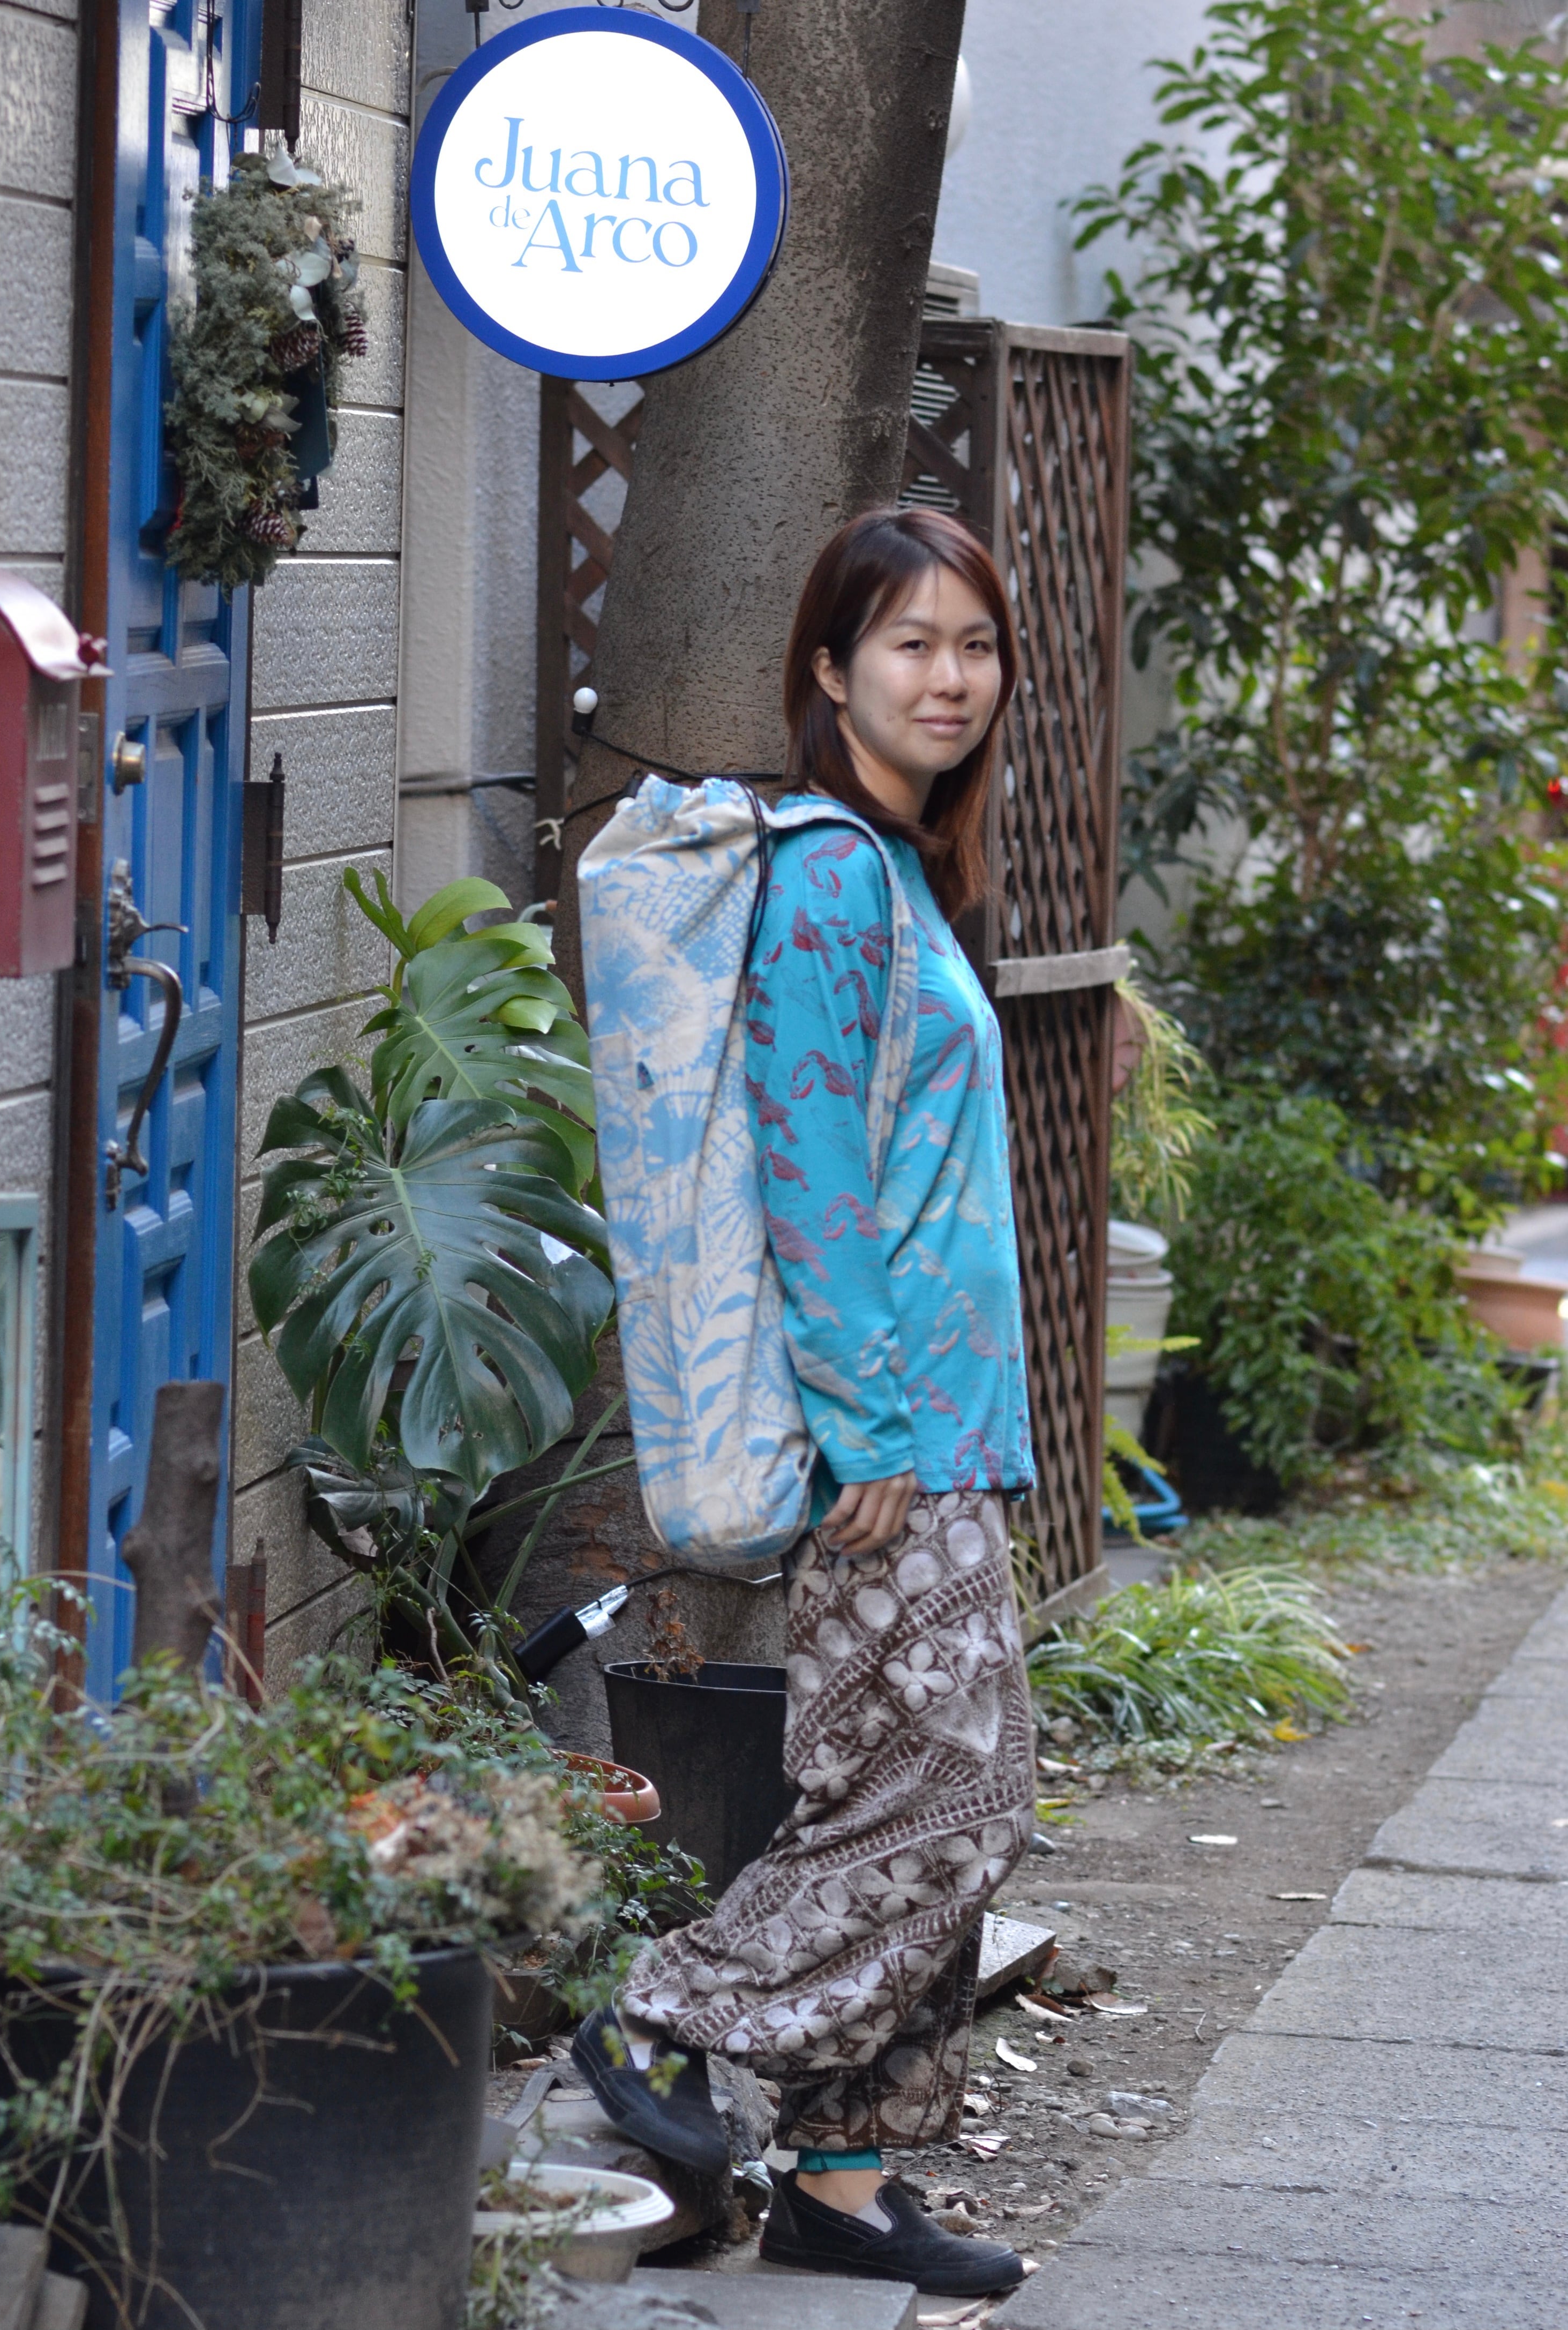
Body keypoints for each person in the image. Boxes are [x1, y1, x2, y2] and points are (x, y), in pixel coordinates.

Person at [573, 508, 1037, 2299]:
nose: (950, 677)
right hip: (895, 1440)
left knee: (903, 1789)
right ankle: (662, 2013)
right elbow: (810, 1169)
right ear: (831, 671)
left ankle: (841, 2188)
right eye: (912, 643)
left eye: (974, 645)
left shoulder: (900, 871)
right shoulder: (836, 876)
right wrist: (871, 1426)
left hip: (942, 1427)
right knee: (949, 1801)